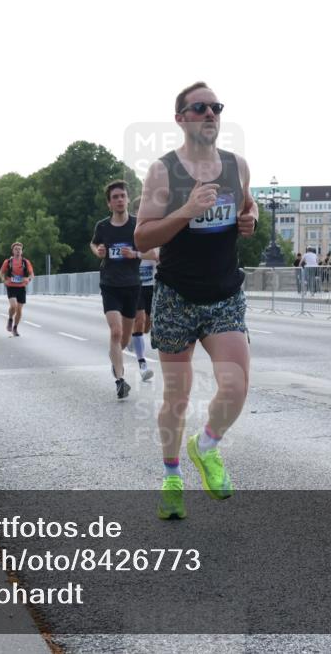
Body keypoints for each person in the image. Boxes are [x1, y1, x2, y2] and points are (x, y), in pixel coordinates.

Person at [135, 81, 258, 520]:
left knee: (237, 384)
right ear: (181, 118)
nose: (210, 114)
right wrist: (185, 211)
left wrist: (250, 218)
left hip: (224, 292)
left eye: (216, 107)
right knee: (177, 396)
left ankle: (205, 445)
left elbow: (249, 204)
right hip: (176, 295)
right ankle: (171, 478)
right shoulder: (163, 172)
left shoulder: (237, 165)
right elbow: (143, 235)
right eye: (200, 107)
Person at [91, 180, 144, 399]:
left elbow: (153, 252)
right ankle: (120, 381)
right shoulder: (102, 227)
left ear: (128, 199)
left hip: (132, 285)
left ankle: (115, 358)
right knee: (116, 332)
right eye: (115, 197)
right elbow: (93, 244)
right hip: (110, 284)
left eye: (122, 196)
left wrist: (135, 254)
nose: (120, 200)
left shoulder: (137, 224)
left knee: (124, 338)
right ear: (109, 203)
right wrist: (98, 251)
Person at [133, 246, 159, 382]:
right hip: (135, 286)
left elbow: (155, 255)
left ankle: (133, 337)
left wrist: (136, 254)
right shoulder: (131, 237)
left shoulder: (154, 239)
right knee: (140, 321)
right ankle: (142, 365)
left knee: (146, 327)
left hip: (152, 286)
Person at [0, 242, 34, 336]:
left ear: (22, 251)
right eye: (16, 249)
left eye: (19, 249)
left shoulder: (25, 262)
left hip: (21, 287)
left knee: (19, 310)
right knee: (13, 306)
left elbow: (31, 274)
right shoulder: (8, 262)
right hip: (11, 286)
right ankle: (10, 318)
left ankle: (15, 328)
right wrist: (3, 280)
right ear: (13, 251)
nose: (18, 251)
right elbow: (1, 272)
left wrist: (28, 279)